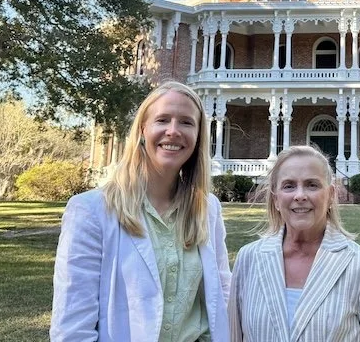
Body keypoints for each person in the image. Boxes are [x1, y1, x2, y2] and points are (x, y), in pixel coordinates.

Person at [50, 81, 230, 342]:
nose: (173, 131)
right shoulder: (91, 211)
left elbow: (221, 293)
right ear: (143, 130)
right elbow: (72, 324)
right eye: (162, 120)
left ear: (199, 136)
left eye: (186, 123)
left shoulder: (207, 208)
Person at [229, 145, 360, 341]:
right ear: (275, 199)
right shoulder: (249, 259)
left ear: (331, 195)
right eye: (289, 185)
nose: (300, 195)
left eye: (312, 185)